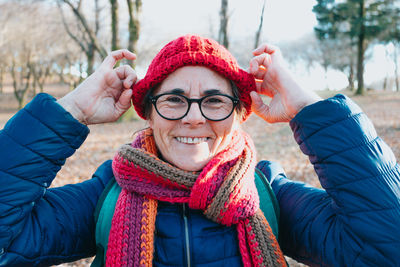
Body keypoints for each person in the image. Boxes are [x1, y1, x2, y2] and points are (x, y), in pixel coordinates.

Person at [0, 34, 399, 267]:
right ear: (149, 114)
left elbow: (386, 246)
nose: (193, 118)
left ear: (239, 114)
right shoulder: (107, 193)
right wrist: (71, 110)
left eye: (214, 101)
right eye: (173, 99)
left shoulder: (268, 194)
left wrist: (309, 109)